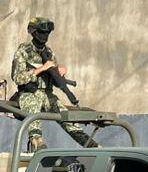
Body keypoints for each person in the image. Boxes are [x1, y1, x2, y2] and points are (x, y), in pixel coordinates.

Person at [12, 17, 93, 152]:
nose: (45, 36)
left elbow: (55, 81)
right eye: (42, 32)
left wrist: (59, 73)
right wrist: (41, 69)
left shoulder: (49, 53)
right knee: (33, 110)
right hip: (30, 93)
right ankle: (37, 142)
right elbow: (18, 78)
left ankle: (90, 144)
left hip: (48, 95)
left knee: (66, 117)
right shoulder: (24, 51)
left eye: (47, 33)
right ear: (34, 32)